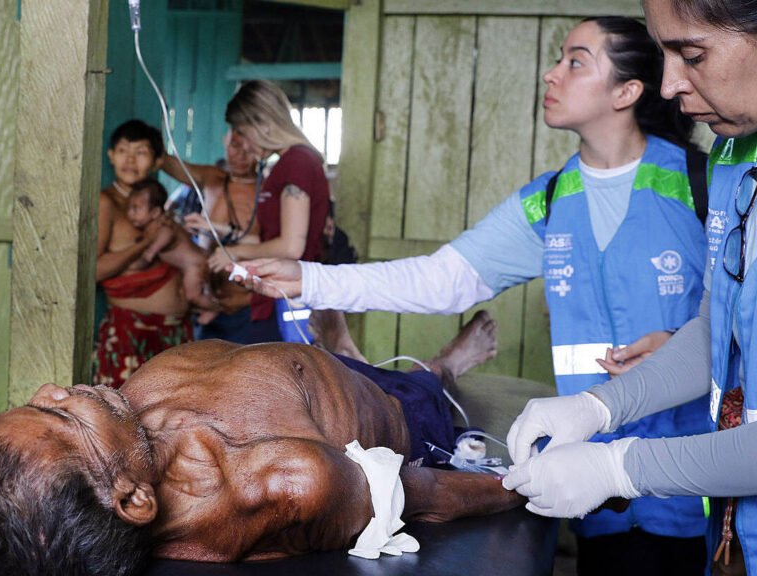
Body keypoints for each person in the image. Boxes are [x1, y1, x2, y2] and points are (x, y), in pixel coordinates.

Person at [234, 17, 711, 574]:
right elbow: (442, 279)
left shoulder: (698, 185)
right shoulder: (552, 199)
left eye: (575, 62)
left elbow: (750, 322)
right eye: (558, 58)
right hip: (591, 486)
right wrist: (312, 279)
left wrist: (680, 344)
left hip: (688, 477)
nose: (551, 73)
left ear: (626, 92)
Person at [499, 2, 757, 575]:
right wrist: (599, 407)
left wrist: (619, 468)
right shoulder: (735, 153)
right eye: (664, 53)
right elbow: (717, 331)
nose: (669, 84)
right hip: (747, 539)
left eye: (692, 55)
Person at [0, 315, 522, 575]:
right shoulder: (285, 478)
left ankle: (345, 348)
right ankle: (444, 366)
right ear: (133, 500)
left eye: (41, 404)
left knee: (343, 358)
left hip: (287, 366)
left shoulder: (91, 472)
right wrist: (538, 485)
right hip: (388, 409)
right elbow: (422, 493)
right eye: (65, 418)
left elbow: (33, 483)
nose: (55, 388)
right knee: (423, 385)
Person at [212, 80, 331, 344]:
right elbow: (274, 236)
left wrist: (237, 252)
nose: (245, 146)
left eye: (244, 133)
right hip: (275, 296)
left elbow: (291, 247)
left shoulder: (297, 163)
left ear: (263, 124)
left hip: (288, 300)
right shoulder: (286, 163)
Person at [95, 120, 193, 389]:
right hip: (132, 331)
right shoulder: (107, 202)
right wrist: (145, 242)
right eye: (123, 151)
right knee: (126, 408)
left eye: (140, 152)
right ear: (111, 155)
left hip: (174, 330)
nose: (130, 160)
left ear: (156, 160)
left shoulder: (158, 203)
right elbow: (95, 270)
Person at [162, 130, 262, 342]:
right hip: (207, 301)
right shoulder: (212, 179)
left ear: (263, 150)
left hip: (249, 308)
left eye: (251, 149)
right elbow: (163, 161)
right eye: (235, 146)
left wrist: (249, 301)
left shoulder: (268, 191)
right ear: (225, 142)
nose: (242, 155)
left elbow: (278, 247)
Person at [124, 178, 219, 323]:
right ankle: (206, 306)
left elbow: (166, 235)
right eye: (129, 208)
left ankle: (216, 308)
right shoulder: (156, 224)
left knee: (193, 296)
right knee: (193, 293)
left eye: (136, 208)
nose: (130, 214)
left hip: (195, 265)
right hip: (194, 263)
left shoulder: (163, 226)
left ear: (155, 212)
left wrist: (150, 252)